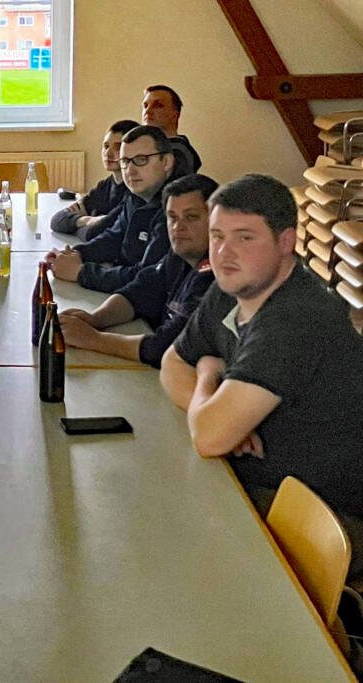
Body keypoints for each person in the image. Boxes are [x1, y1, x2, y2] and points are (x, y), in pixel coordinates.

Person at [160, 174, 363, 576]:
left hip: (322, 516)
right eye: (217, 236)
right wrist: (218, 412)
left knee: (170, 538)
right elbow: (172, 364)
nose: (224, 252)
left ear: (286, 242)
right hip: (253, 483)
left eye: (245, 237)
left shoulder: (297, 317)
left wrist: (208, 379)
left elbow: (208, 438)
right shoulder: (232, 287)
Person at [58, 174, 218, 368]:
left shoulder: (217, 275)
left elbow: (168, 347)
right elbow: (140, 291)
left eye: (191, 217)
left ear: (216, 220)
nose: (178, 227)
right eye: (172, 217)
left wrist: (93, 339)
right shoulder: (180, 256)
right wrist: (96, 318)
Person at [46, 125, 174, 293]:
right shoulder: (136, 197)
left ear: (166, 162)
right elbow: (113, 238)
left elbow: (147, 279)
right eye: (125, 161)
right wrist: (75, 254)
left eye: (141, 159)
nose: (131, 171)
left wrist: (80, 272)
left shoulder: (176, 208)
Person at [51, 119, 139, 240]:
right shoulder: (105, 186)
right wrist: (87, 220)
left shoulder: (135, 190)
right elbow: (56, 220)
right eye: (106, 146)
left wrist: (77, 226)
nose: (108, 153)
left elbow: (94, 233)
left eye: (117, 147)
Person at [142, 85, 201, 177]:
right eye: (145, 106)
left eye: (158, 106)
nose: (148, 111)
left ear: (175, 115)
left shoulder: (179, 153)